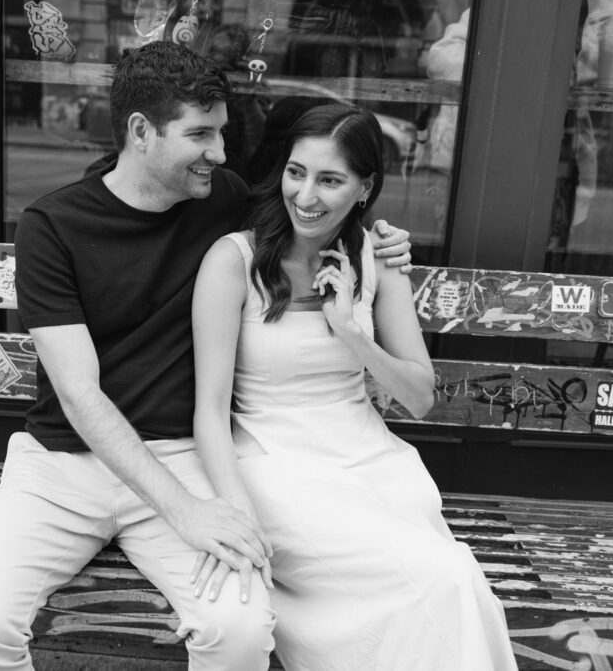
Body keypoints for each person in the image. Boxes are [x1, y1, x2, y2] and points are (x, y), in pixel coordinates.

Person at [0, 42, 414, 670]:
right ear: (141, 132)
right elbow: (79, 395)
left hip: (181, 454)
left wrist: (382, 239)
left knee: (238, 631)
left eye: (222, 133)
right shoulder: (52, 227)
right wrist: (186, 512)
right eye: (201, 134)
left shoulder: (223, 198)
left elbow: (316, 209)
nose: (219, 151)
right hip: (62, 465)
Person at [191, 103, 518, 670]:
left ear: (364, 189)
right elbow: (210, 412)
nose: (307, 195)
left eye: (331, 180)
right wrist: (235, 513)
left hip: (369, 462)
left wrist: (352, 334)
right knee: (435, 576)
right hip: (273, 463)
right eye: (297, 172)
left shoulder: (378, 258)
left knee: (451, 580)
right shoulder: (234, 260)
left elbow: (419, 397)